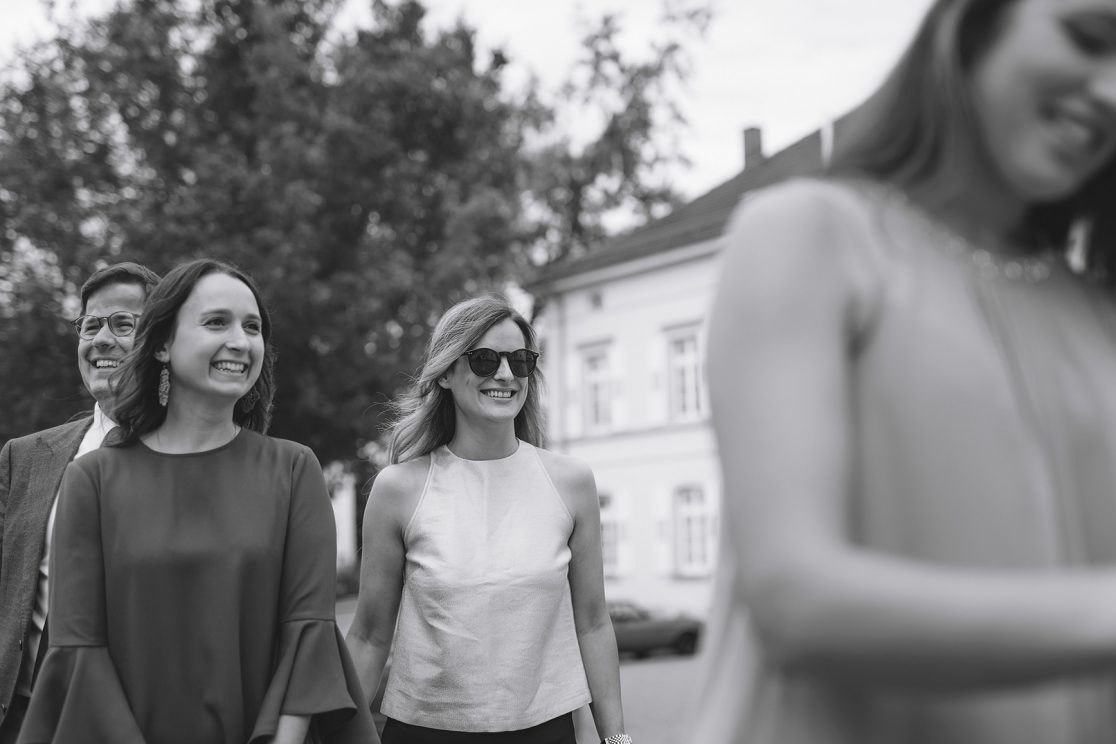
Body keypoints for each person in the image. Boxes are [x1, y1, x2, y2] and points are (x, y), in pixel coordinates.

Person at [693, 0, 1116, 742]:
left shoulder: (1094, 312)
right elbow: (797, 599)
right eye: (1089, 38)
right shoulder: (809, 234)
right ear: (974, 24)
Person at [16, 258, 374, 744]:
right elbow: (80, 652)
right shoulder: (92, 479)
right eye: (216, 322)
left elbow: (307, 639)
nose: (241, 341)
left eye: (253, 327)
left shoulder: (293, 469)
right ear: (162, 344)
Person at [346, 294, 631, 744]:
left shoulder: (571, 483)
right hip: (425, 733)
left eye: (519, 361)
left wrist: (617, 741)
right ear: (446, 374)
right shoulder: (399, 489)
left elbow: (593, 622)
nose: (504, 374)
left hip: (545, 731)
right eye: (483, 359)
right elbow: (368, 635)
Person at [0, 261, 160, 744]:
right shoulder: (23, 458)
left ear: (162, 342)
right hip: (23, 718)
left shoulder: (197, 457)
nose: (101, 340)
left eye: (123, 323)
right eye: (90, 325)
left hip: (140, 722)